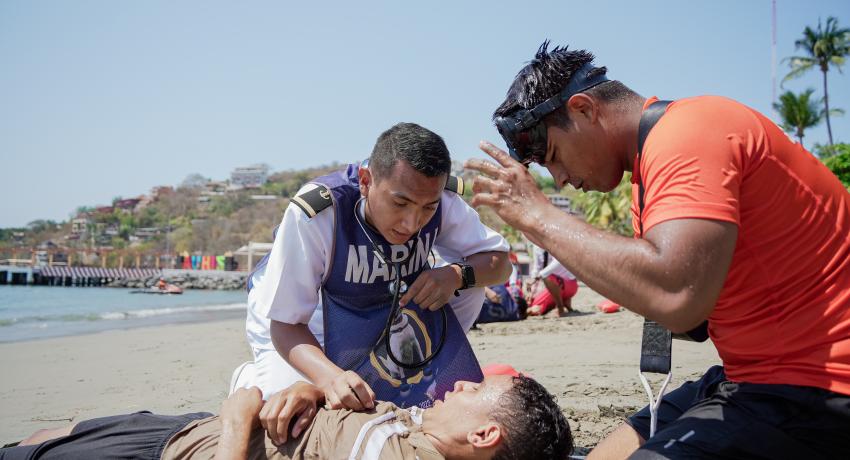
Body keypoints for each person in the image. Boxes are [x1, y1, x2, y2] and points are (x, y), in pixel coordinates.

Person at [465, 42, 850, 459]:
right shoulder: (645, 186)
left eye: (554, 157)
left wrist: (538, 218)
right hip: (753, 376)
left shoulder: (688, 133)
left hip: (820, 388)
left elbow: (678, 297)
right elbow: (693, 324)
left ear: (584, 109)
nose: (559, 179)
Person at [236, 122, 512, 411]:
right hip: (308, 312)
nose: (411, 223)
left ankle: (427, 362)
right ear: (366, 182)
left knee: (470, 284)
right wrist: (331, 379)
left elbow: (500, 263)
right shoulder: (321, 209)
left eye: (427, 208)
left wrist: (455, 275)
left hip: (382, 304)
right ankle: (251, 379)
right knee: (299, 408)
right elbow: (285, 323)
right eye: (400, 203)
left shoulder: (441, 198)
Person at [0, 375, 573, 460]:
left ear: (484, 433)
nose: (461, 383)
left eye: (477, 390)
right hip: (195, 426)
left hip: (190, 450)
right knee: (55, 433)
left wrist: (237, 419)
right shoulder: (420, 433)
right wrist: (307, 388)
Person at [527, 244, 578, 317]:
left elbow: (557, 262)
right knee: (533, 302)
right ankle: (564, 302)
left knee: (546, 275)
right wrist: (532, 290)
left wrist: (539, 275)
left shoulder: (556, 242)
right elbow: (536, 268)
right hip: (553, 285)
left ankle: (560, 307)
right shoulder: (536, 246)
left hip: (568, 283)